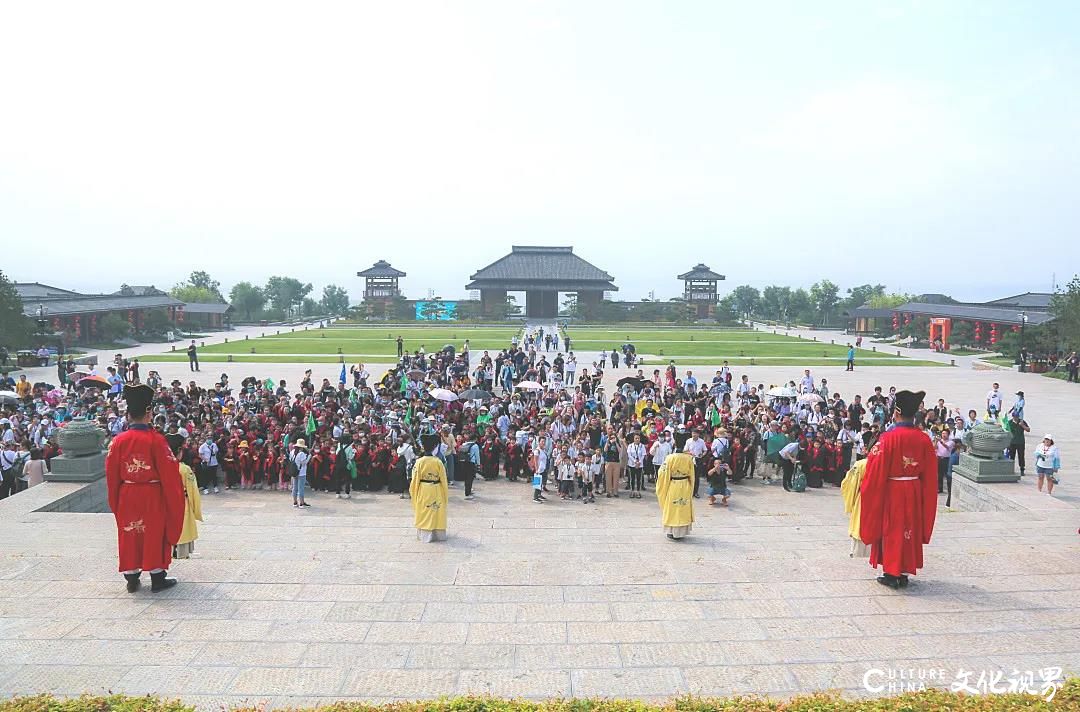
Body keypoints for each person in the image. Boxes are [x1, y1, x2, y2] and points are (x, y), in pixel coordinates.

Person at [104, 383, 185, 593]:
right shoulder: (157, 441)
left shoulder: (117, 441)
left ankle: (132, 578)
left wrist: (115, 501)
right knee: (154, 533)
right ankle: (157, 577)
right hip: (152, 494)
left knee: (130, 533)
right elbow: (169, 474)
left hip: (127, 494)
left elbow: (111, 476)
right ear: (149, 413)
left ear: (128, 415)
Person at [859, 390, 938, 590]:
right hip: (913, 490)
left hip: (893, 491)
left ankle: (892, 573)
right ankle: (903, 572)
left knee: (892, 530)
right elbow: (930, 475)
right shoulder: (924, 439)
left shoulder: (888, 439)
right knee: (908, 530)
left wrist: (865, 487)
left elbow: (875, 471)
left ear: (896, 412)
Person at [656, 429, 695, 540]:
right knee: (683, 506)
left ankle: (672, 531)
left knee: (673, 507)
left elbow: (662, 473)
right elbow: (692, 474)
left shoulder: (670, 458)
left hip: (673, 484)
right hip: (685, 484)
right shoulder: (689, 458)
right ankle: (682, 531)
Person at [410, 434, 448, 541]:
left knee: (424, 510)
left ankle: (425, 535)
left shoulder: (419, 462)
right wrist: (445, 493)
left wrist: (414, 492)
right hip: (436, 489)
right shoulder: (438, 462)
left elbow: (415, 479)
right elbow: (444, 479)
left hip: (423, 489)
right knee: (436, 510)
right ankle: (437, 534)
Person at [170, 436, 202, 560]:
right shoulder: (184, 469)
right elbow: (193, 491)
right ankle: (181, 553)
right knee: (182, 529)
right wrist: (196, 510)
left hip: (164, 504)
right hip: (181, 503)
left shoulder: (160, 467)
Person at [290, 439, 311, 507]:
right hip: (301, 473)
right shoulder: (301, 454)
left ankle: (295, 502)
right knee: (301, 488)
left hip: (294, 472)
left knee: (294, 488)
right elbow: (304, 463)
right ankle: (301, 503)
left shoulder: (292, 452)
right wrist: (309, 457)